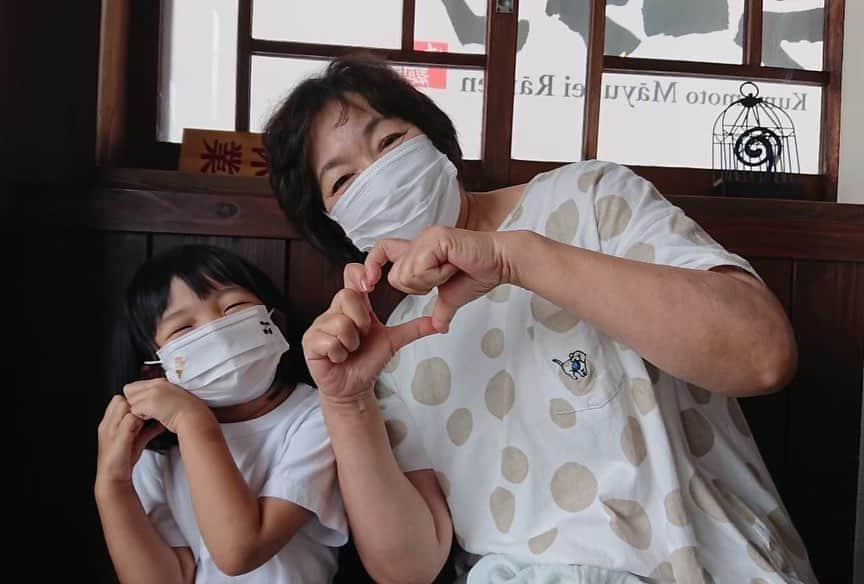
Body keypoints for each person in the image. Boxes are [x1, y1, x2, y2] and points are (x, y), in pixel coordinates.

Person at [264, 56, 816, 583]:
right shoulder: (397, 344)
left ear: (437, 143)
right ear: (334, 226)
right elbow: (410, 565)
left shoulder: (591, 198)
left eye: (389, 141)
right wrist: (346, 402)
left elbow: (763, 355)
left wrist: (515, 259)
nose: (379, 174)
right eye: (342, 181)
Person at [94, 245, 347, 583]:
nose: (216, 330)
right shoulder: (156, 449)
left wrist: (193, 421)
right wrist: (112, 486)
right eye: (183, 328)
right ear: (155, 375)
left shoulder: (318, 415)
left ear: (276, 323)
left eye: (234, 306)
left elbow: (240, 550)